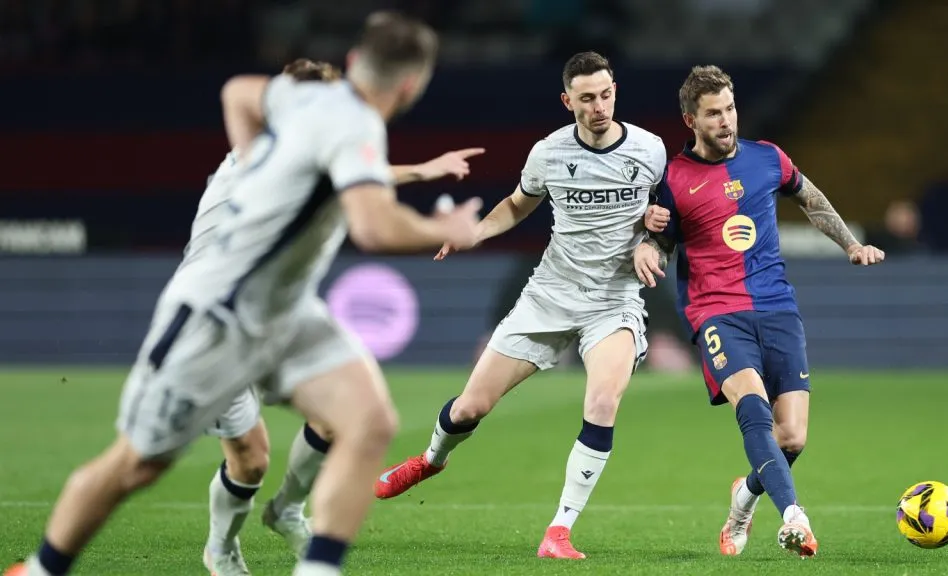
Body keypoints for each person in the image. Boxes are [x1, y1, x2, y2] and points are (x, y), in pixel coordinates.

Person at [6, 11, 481, 576]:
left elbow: (237, 91)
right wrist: (444, 230)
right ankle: (41, 569)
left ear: (354, 61)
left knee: (369, 420)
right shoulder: (355, 124)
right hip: (218, 316)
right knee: (136, 464)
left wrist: (254, 157)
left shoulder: (304, 101)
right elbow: (374, 227)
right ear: (412, 85)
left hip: (286, 313)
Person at [373, 51, 667, 560]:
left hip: (613, 301)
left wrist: (652, 242)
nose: (599, 107)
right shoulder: (548, 152)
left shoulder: (651, 149)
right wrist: (474, 232)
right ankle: (431, 459)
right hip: (549, 295)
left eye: (605, 95)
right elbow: (516, 204)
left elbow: (671, 216)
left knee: (602, 402)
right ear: (567, 101)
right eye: (586, 99)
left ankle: (559, 531)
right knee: (470, 407)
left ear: (615, 91)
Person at [197, 58, 486, 575]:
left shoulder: (309, 153)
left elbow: (348, 172)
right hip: (217, 321)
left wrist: (422, 170)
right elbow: (362, 204)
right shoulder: (260, 157)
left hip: (279, 317)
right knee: (247, 459)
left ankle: (286, 510)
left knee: (343, 417)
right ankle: (220, 547)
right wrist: (435, 223)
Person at [636, 65, 884, 559]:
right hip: (716, 312)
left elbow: (812, 200)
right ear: (691, 120)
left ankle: (744, 498)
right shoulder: (674, 178)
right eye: (713, 113)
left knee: (790, 438)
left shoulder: (768, 157)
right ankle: (794, 517)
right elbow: (661, 238)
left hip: (777, 307)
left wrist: (851, 245)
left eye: (730, 109)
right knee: (752, 407)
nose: (725, 121)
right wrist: (647, 246)